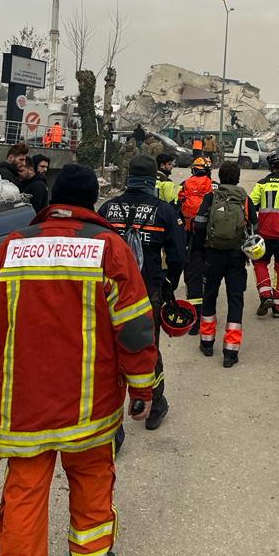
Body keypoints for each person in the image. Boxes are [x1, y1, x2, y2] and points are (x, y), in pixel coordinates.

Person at [0, 163, 157, 556]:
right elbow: (135, 330)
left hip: (24, 405)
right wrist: (143, 388)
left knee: (25, 492)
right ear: (92, 201)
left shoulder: (12, 248)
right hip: (91, 406)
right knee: (92, 481)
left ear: (53, 199)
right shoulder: (108, 249)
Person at [98, 155, 185, 430]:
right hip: (148, 290)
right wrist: (169, 282)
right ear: (153, 179)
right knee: (148, 350)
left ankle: (111, 421)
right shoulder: (164, 211)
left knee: (109, 351)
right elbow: (178, 255)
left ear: (128, 178)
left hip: (107, 293)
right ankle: (154, 406)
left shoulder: (107, 209)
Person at [194, 161, 258, 367]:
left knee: (210, 294)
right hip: (236, 256)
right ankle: (230, 352)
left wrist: (202, 247)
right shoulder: (245, 199)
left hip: (213, 254)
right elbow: (255, 227)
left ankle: (206, 342)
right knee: (235, 299)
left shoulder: (211, 197)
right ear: (238, 178)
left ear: (220, 177)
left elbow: (199, 224)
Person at [249, 150, 279, 317]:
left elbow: (250, 205)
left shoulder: (262, 184)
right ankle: (278, 309)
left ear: (271, 167)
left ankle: (265, 295)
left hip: (265, 234)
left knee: (260, 263)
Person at [177, 157, 214, 327]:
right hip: (207, 234)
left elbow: (177, 207)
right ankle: (207, 307)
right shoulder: (214, 186)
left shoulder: (184, 184)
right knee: (208, 270)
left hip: (188, 234)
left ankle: (193, 316)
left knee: (192, 272)